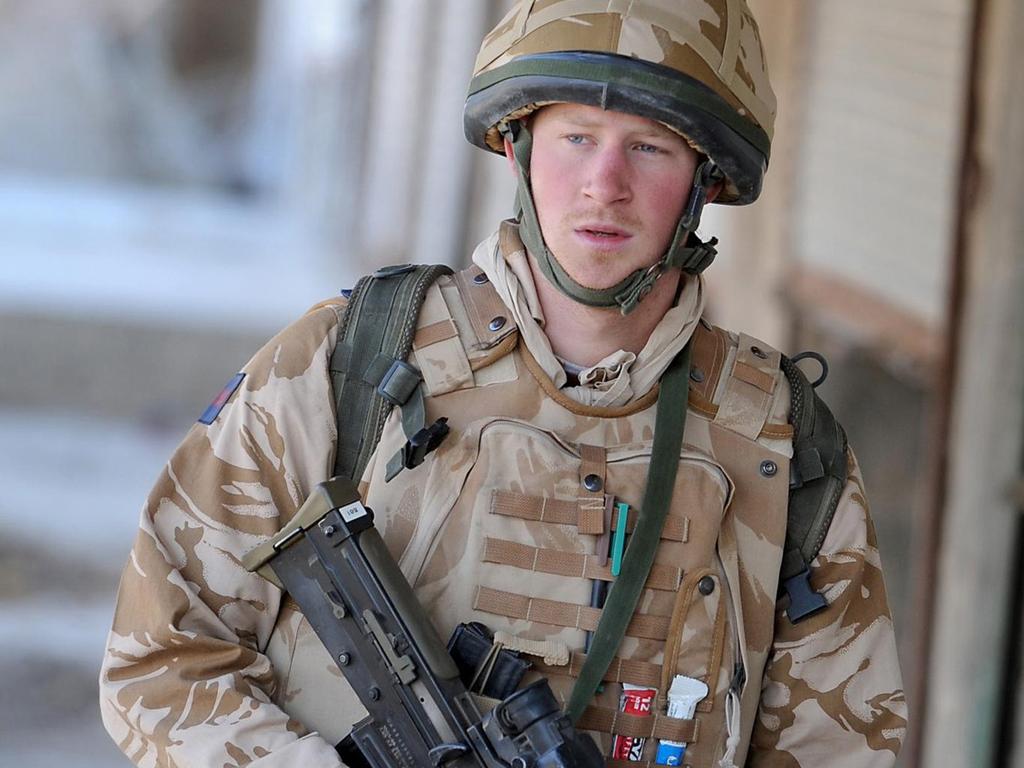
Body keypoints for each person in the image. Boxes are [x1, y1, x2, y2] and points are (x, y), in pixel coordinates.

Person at [99, 2, 908, 766]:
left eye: (651, 146)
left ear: (705, 179)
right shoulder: (353, 361)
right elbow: (161, 656)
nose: (605, 184)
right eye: (576, 138)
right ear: (518, 147)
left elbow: (842, 746)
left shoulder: (781, 445)